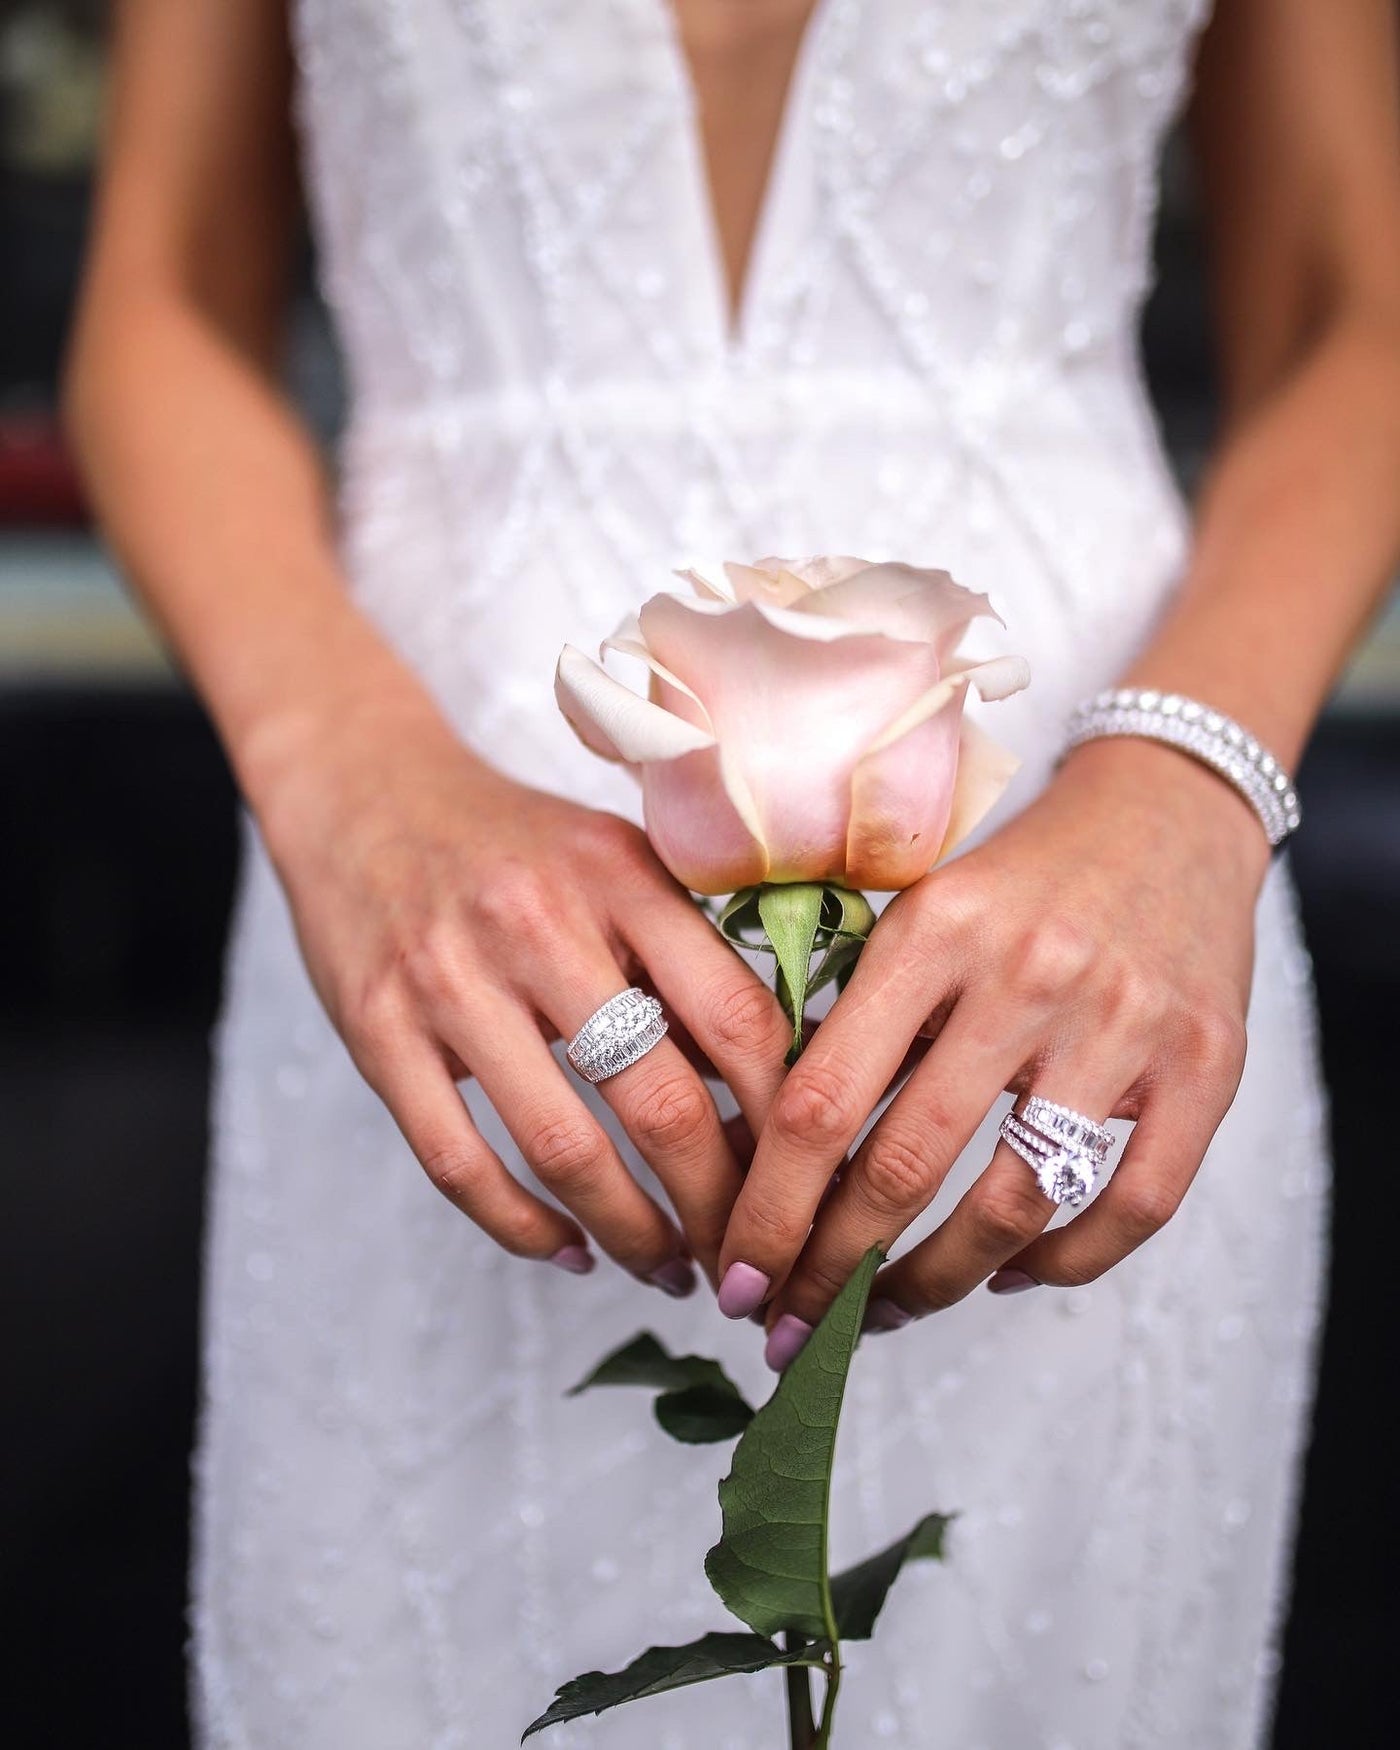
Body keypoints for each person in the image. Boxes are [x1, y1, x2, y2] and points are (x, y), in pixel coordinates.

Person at [65, 1, 1400, 1744]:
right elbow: (164, 291)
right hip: (413, 939)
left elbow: (1347, 304)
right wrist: (345, 785)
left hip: (1096, 959)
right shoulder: (373, 842)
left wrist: (1189, 790)